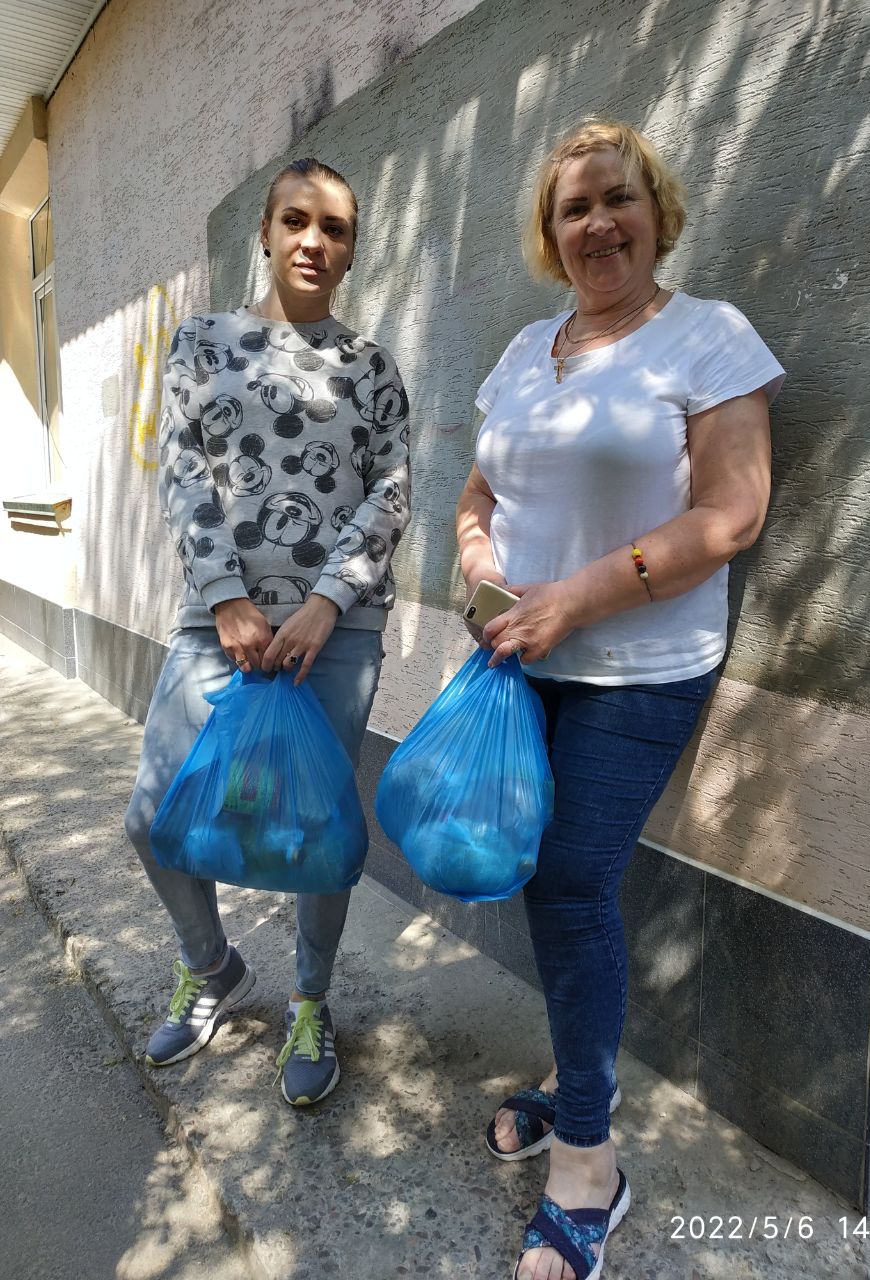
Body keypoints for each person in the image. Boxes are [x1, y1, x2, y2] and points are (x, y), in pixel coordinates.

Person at [456, 120, 784, 1280]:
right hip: (521, 660)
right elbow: (480, 490)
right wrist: (478, 561)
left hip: (637, 669)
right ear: (549, 235)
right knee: (540, 878)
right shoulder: (524, 347)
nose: (596, 222)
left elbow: (731, 516)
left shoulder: (708, 337)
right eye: (573, 207)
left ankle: (590, 1163)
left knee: (569, 882)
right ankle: (574, 1074)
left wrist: (574, 600)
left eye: (617, 198)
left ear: (658, 211)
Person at [124, 157, 411, 1107]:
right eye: (295, 221)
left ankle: (311, 1000)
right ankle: (213, 970)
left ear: (351, 250)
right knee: (154, 816)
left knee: (317, 829)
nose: (312, 242)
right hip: (219, 626)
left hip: (337, 633)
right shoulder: (203, 343)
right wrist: (224, 598)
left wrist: (328, 601)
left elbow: (391, 490)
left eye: (334, 229)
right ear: (265, 232)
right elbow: (182, 473)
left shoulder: (370, 367)